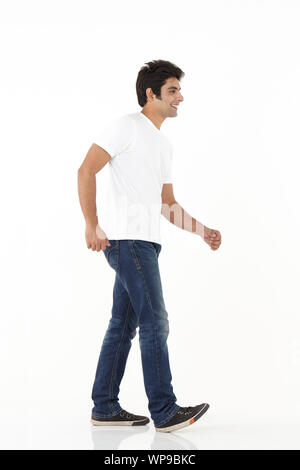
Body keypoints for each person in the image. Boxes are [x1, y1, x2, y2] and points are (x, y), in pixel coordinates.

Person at [77, 59, 221, 433]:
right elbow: (86, 169)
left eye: (179, 90)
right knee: (155, 320)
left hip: (147, 245)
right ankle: (165, 410)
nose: (180, 98)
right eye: (173, 90)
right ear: (151, 93)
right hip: (126, 241)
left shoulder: (162, 144)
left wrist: (201, 230)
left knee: (122, 325)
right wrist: (92, 224)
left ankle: (104, 406)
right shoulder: (126, 126)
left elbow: (167, 205)